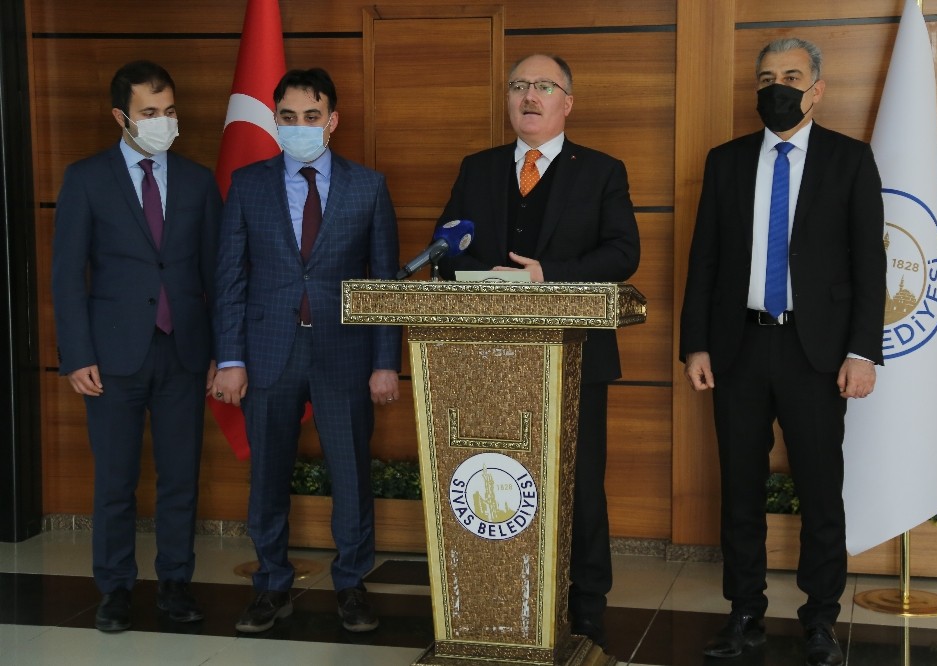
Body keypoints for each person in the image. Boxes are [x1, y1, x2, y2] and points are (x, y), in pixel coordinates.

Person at [679, 38, 885, 666]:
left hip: (814, 353)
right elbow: (704, 259)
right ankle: (744, 614)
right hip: (738, 347)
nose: (778, 88)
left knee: (821, 491)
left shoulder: (850, 160)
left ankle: (820, 620)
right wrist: (696, 345)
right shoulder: (726, 161)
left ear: (816, 89)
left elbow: (869, 266)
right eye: (767, 78)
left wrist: (863, 352)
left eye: (791, 77)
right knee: (739, 490)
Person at [433, 53, 641, 649]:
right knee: (496, 478)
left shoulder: (601, 171)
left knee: (580, 485)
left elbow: (622, 253)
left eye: (544, 87)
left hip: (576, 358)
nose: (529, 96)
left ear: (566, 103)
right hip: (487, 358)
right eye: (519, 86)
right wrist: (485, 280)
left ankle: (587, 606)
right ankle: (501, 595)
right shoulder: (477, 168)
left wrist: (545, 275)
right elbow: (446, 247)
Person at [211, 67, 401, 635]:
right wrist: (230, 358)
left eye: (311, 117)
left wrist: (385, 362)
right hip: (269, 350)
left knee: (351, 475)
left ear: (332, 121)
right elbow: (230, 277)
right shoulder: (248, 183)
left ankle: (351, 585)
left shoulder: (368, 186)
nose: (299, 126)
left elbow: (383, 283)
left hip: (345, 353)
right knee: (268, 476)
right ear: (275, 120)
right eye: (288, 117)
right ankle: (270, 584)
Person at [51, 60, 221, 632]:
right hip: (112, 355)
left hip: (184, 351)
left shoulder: (198, 181)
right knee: (115, 482)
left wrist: (222, 351)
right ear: (120, 117)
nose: (162, 121)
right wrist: (76, 354)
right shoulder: (86, 179)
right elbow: (67, 275)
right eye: (149, 112)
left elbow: (217, 275)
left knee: (180, 478)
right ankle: (115, 589)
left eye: (169, 110)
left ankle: (175, 583)